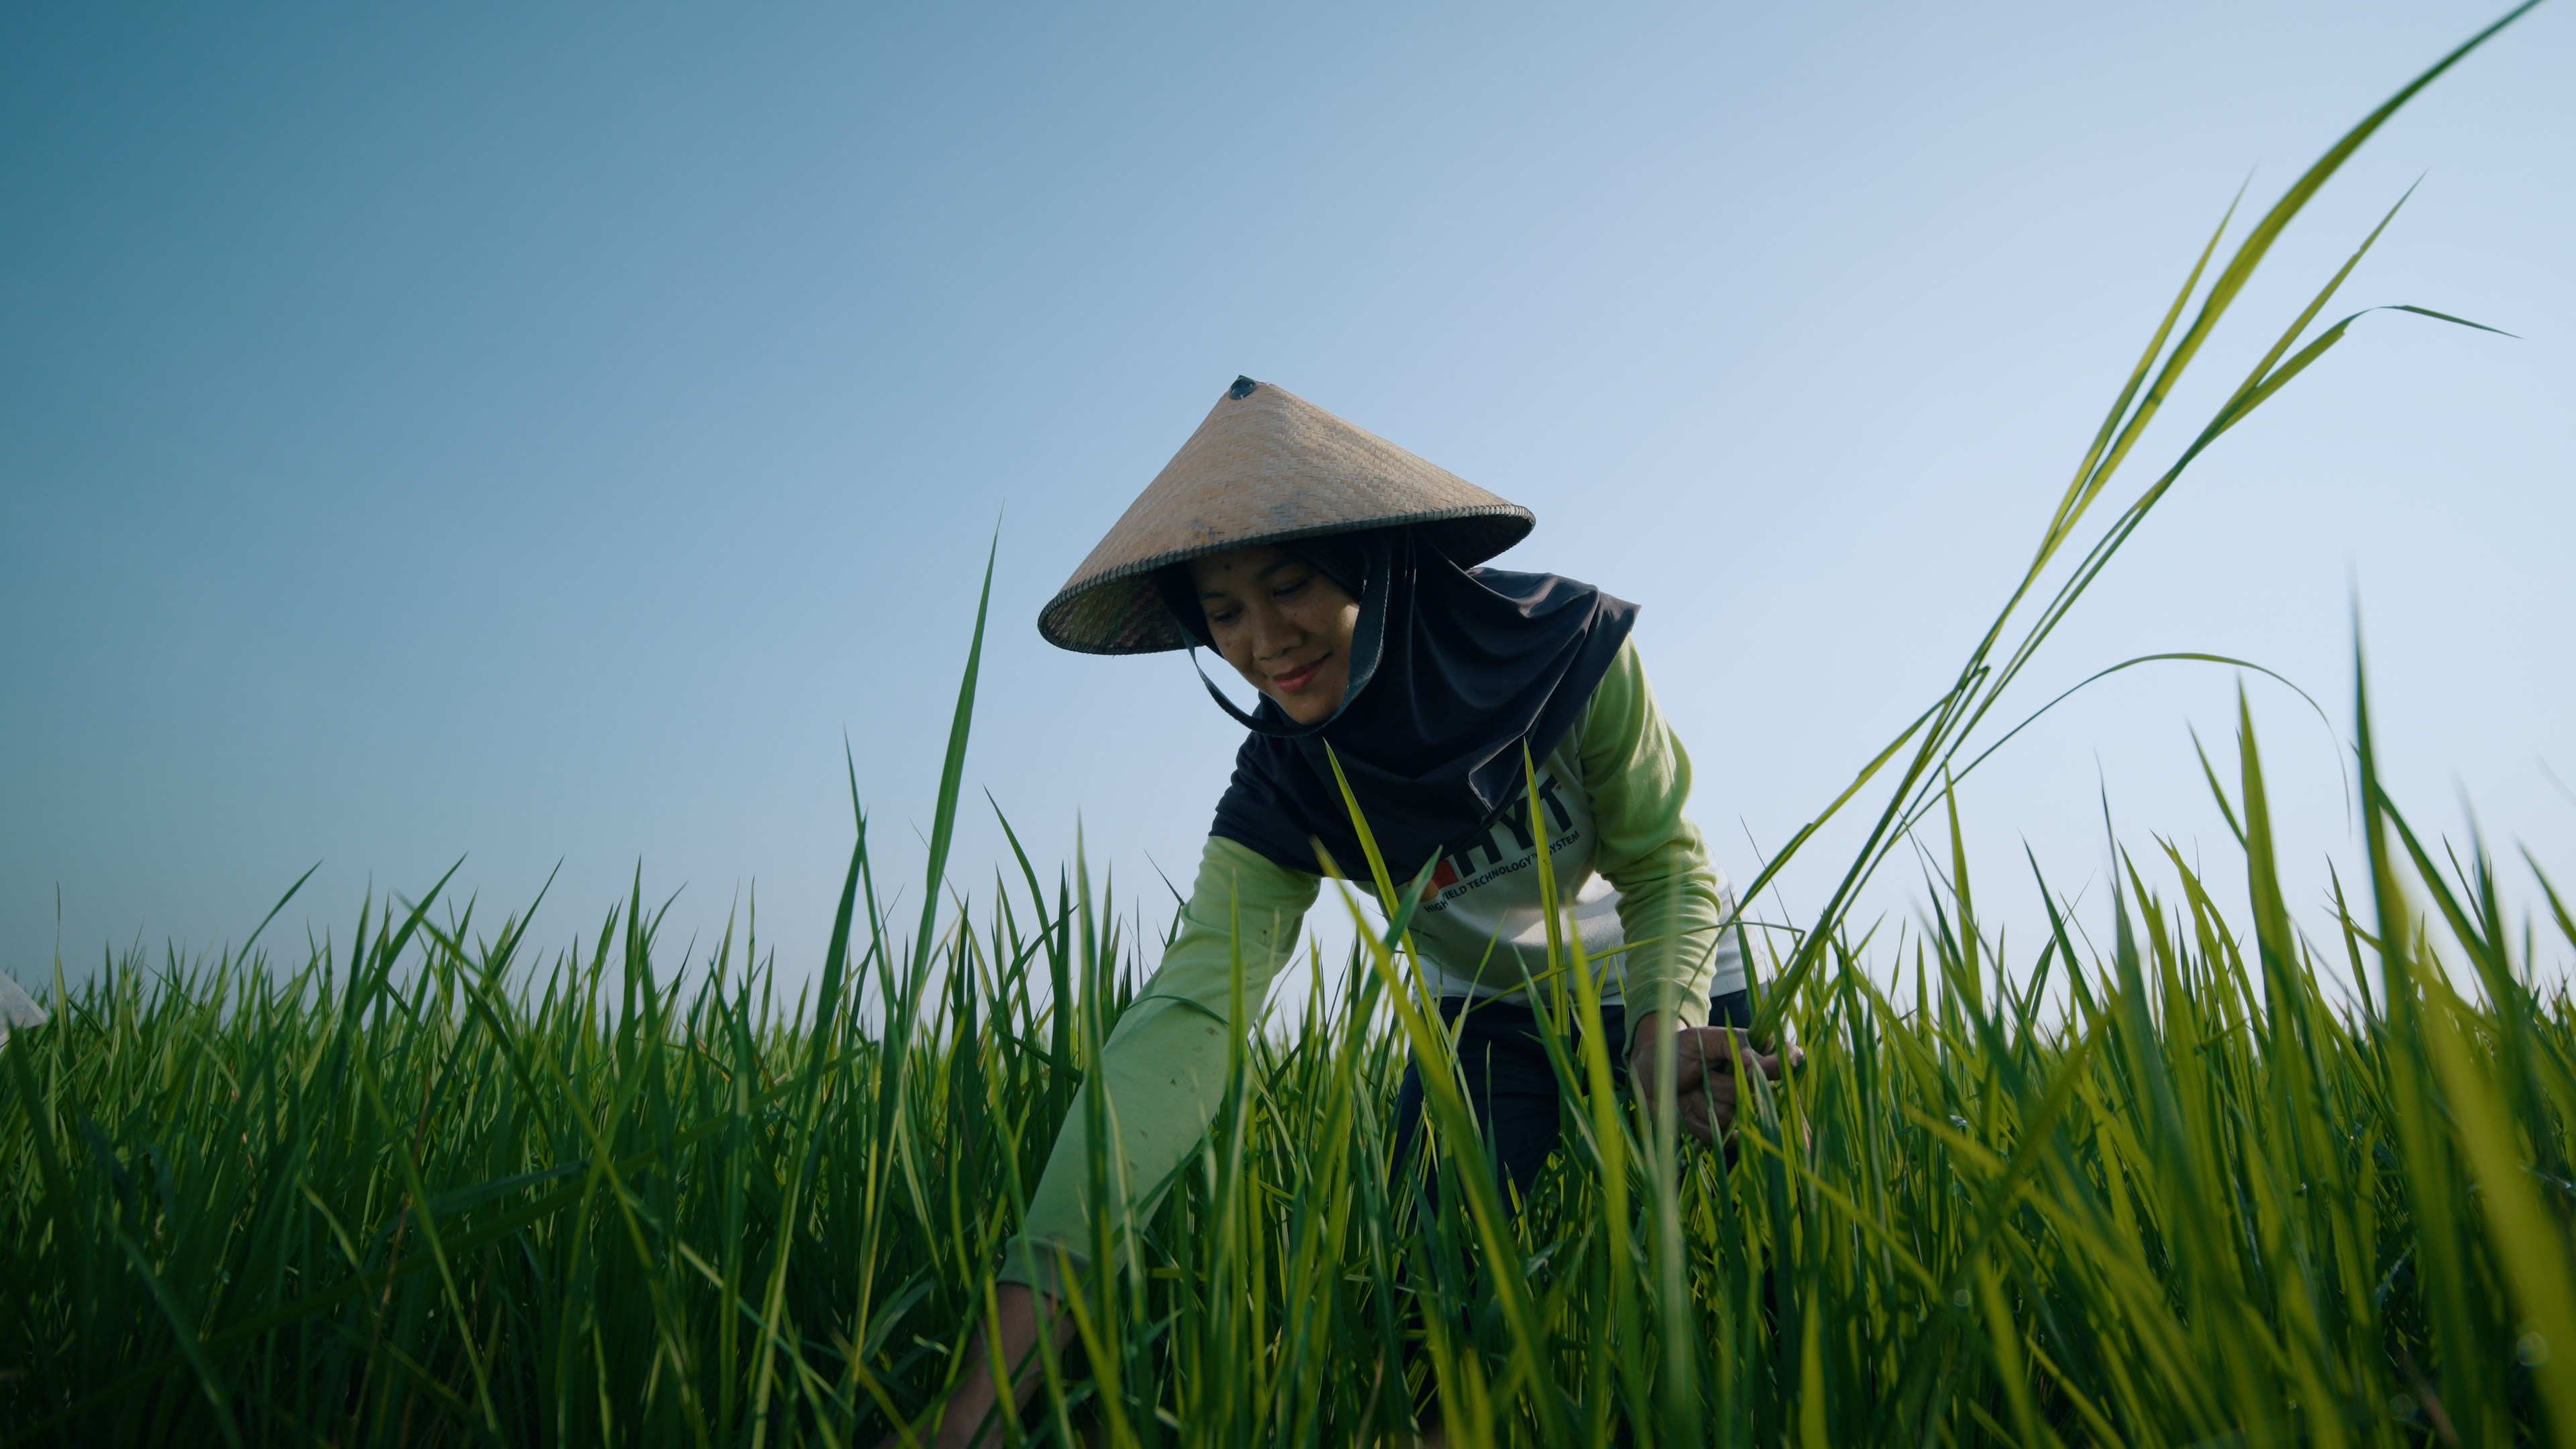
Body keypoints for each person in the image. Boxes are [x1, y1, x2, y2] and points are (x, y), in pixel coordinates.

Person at [920, 376, 1790, 1448]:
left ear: (1375, 568)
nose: (1262, 641)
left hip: (1673, 979)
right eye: (1224, 612)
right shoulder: (1287, 784)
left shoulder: (1562, 647)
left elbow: (1667, 866)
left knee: (1745, 1279)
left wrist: (1663, 1025)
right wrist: (971, 1416)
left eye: (1289, 586)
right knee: (1433, 1289)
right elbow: (1189, 1026)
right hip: (1490, 1010)